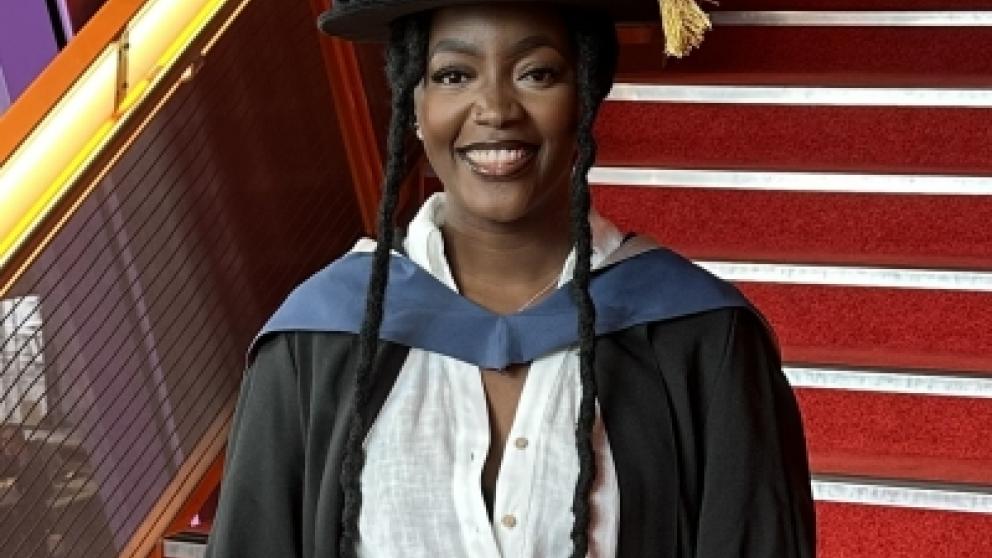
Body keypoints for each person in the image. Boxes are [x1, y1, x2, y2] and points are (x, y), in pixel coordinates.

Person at [205, 1, 816, 556]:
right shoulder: (315, 341)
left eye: (537, 73)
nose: (495, 108)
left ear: (586, 97)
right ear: (413, 105)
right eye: (453, 76)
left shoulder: (702, 340)